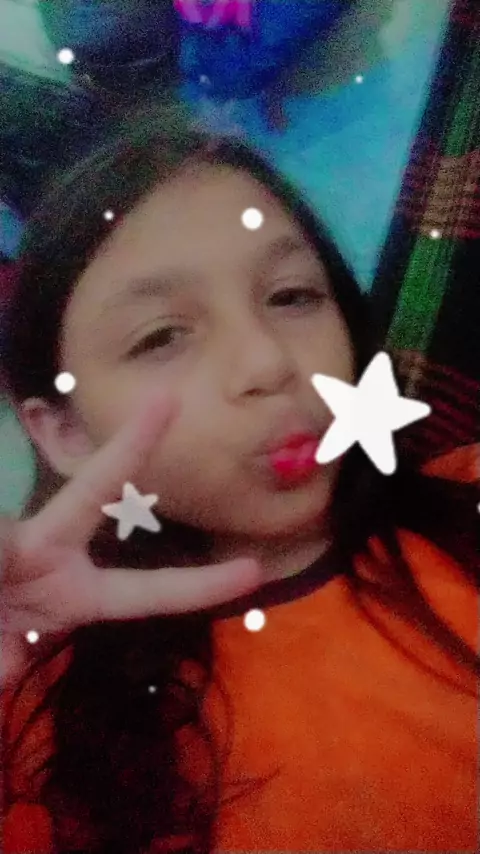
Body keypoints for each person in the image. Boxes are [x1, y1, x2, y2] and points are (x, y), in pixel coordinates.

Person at [0, 98, 478, 854]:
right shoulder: (42, 722)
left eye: (293, 296)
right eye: (162, 337)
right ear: (66, 432)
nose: (267, 362)